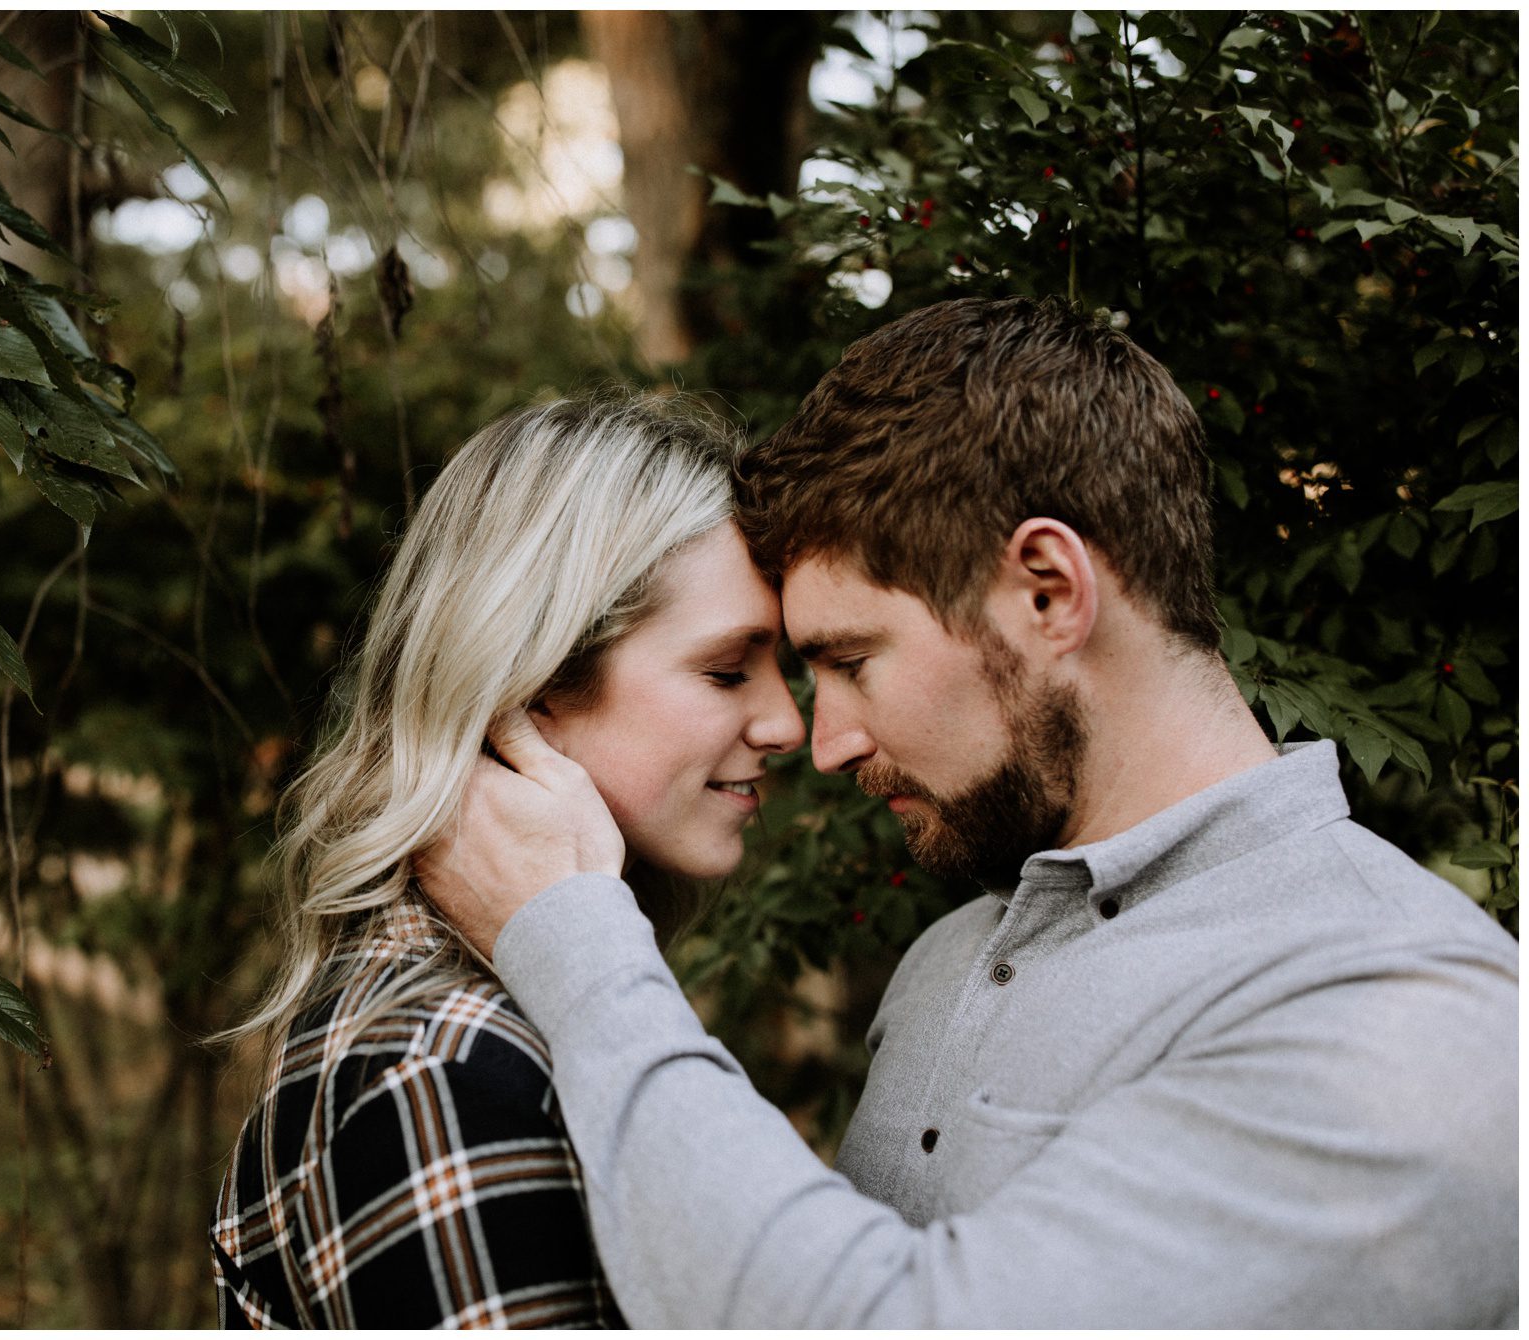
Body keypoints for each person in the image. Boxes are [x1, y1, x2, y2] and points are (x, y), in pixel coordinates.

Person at [419, 297, 1520, 1327]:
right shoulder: (950, 956)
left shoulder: (1402, 1011)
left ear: (1046, 590)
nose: (825, 737)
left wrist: (572, 940)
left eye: (849, 660)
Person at [209, 393, 804, 1327]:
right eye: (728, 671)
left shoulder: (512, 1017)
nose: (788, 725)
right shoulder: (443, 1074)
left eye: (788, 669)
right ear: (532, 684)